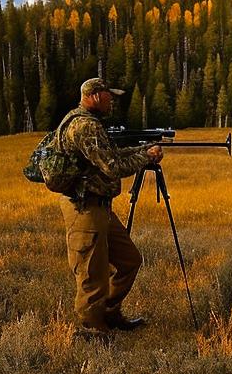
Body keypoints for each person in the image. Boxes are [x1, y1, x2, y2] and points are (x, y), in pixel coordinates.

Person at [58, 77, 163, 336]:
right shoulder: (84, 126)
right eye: (108, 96)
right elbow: (113, 167)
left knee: (129, 260)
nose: (112, 101)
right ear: (94, 96)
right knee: (92, 274)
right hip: (84, 208)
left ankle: (109, 313)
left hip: (100, 207)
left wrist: (143, 149)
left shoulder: (90, 123)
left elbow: (111, 155)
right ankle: (92, 330)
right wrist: (144, 158)